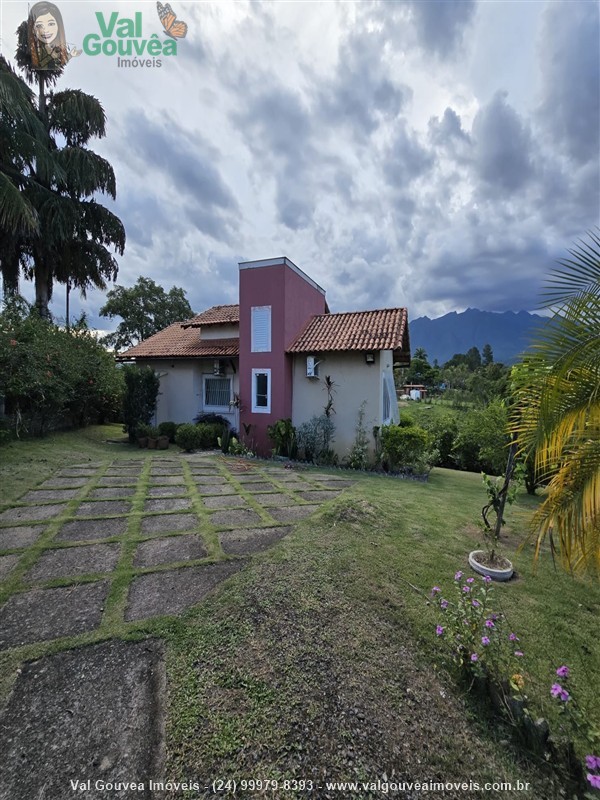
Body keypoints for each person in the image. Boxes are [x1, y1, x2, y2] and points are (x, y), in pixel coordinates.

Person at [28, 1, 80, 71]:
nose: (46, 30)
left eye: (51, 24)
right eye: (39, 25)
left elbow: (57, 64)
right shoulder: (36, 46)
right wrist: (50, 56)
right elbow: (39, 66)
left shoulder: (52, 47)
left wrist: (70, 55)